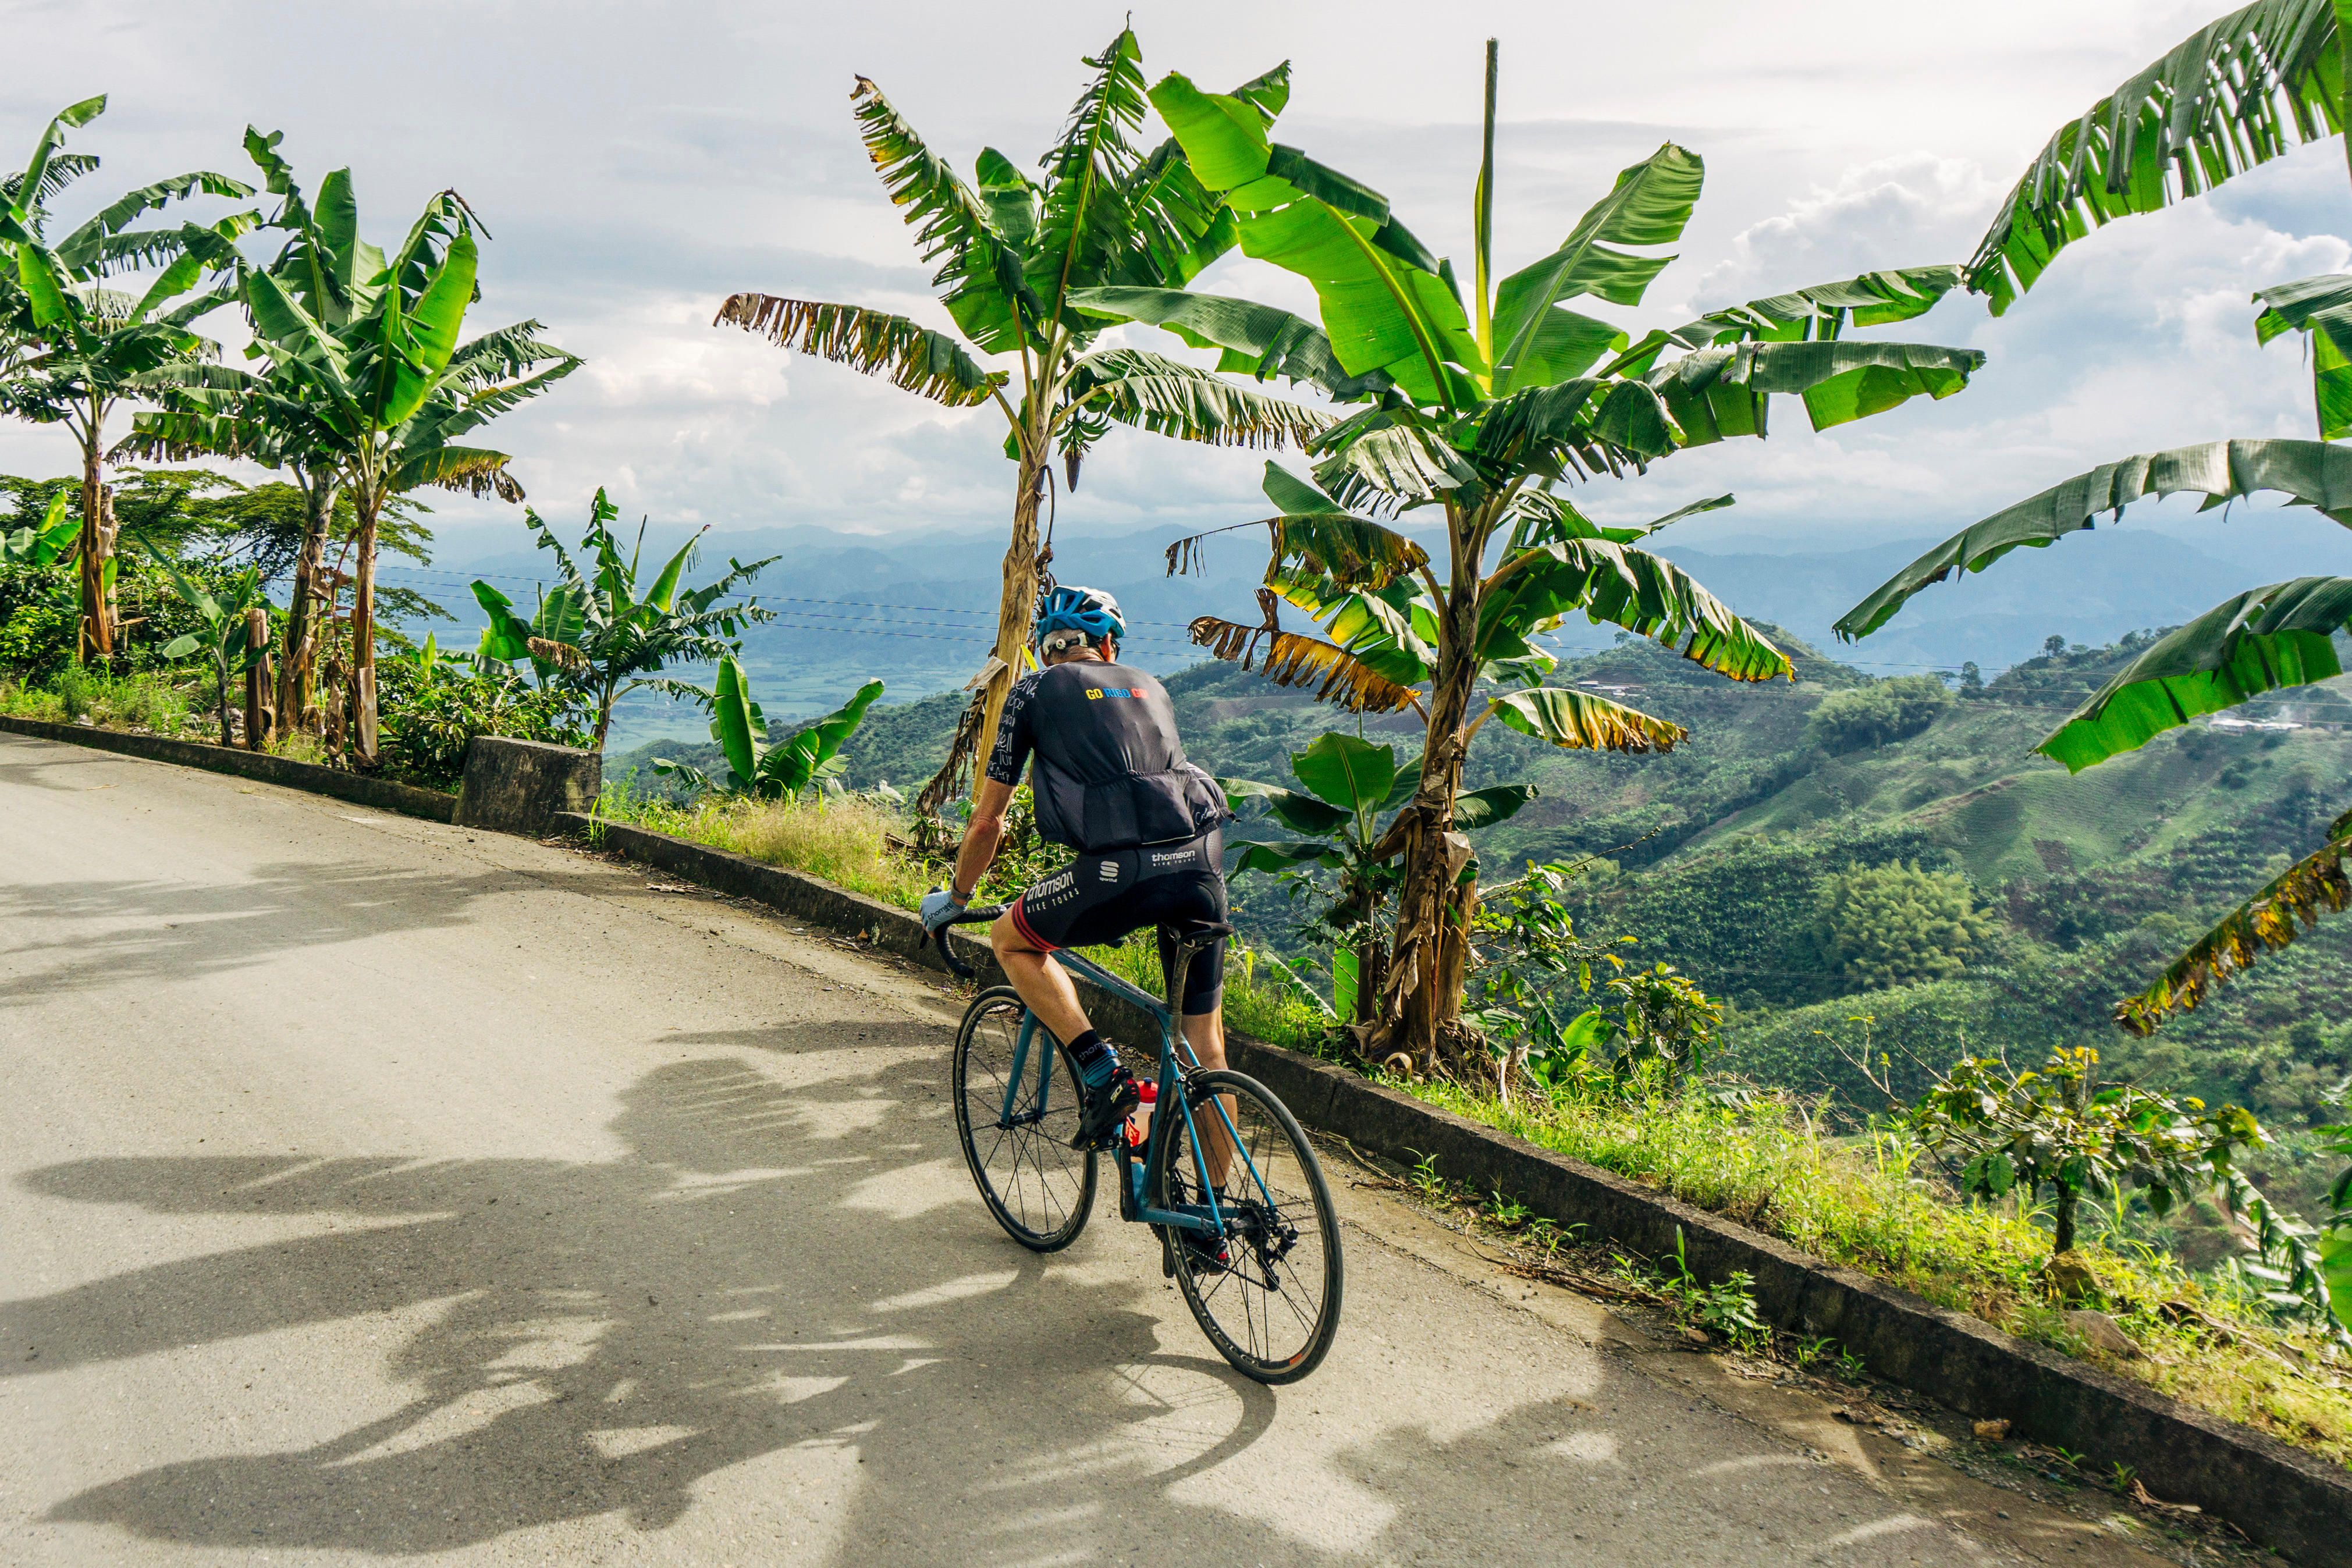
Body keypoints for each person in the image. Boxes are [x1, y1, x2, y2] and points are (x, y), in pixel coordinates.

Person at [920, 585, 1231, 1153]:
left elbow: (986, 822)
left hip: (1119, 874)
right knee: (1207, 1049)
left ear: (1045, 650)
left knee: (1011, 939)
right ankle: (1217, 1229)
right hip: (1201, 869)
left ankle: (1101, 1072)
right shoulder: (1152, 686)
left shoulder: (1033, 689)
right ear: (1108, 645)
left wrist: (956, 898)